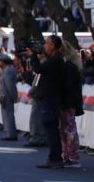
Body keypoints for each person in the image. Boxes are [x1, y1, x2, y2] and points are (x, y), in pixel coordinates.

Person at [25, 35, 65, 169]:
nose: (44, 46)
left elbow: (38, 69)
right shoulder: (54, 59)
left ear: (53, 45)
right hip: (48, 98)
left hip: (50, 99)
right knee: (50, 129)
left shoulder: (56, 60)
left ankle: (55, 158)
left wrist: (33, 55)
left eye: (47, 43)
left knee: (51, 129)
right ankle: (54, 158)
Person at [59, 40, 84, 168]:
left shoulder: (68, 66)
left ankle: (72, 157)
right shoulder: (70, 65)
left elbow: (67, 86)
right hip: (68, 102)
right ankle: (68, 156)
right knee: (67, 130)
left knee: (69, 130)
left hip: (68, 103)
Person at [0, 53, 18, 141]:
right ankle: (8, 133)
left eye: (0, 61)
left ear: (4, 62)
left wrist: (13, 96)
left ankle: (11, 134)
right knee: (6, 115)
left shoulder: (9, 70)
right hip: (4, 95)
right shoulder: (6, 70)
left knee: (8, 115)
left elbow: (10, 85)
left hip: (7, 96)